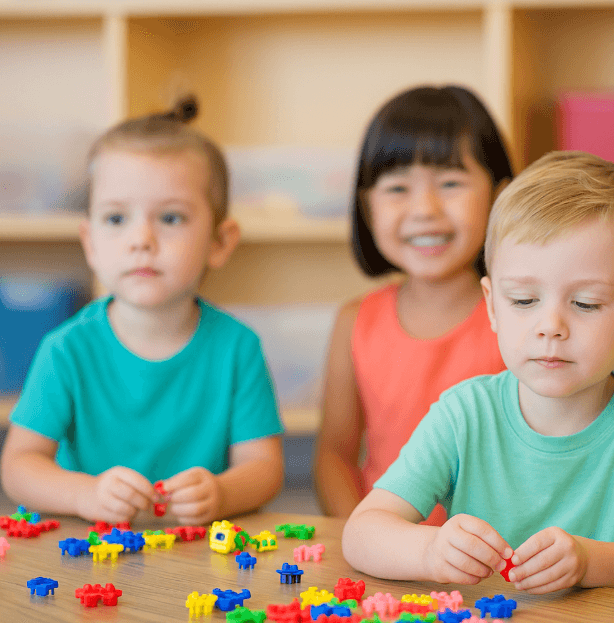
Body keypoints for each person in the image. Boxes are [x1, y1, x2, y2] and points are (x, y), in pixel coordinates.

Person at [0, 97, 285, 525]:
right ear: (90, 242)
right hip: (90, 554)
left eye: (170, 218)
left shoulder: (238, 348)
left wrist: (222, 493)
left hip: (203, 560)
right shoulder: (66, 349)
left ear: (220, 242)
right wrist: (85, 494)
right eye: (116, 219)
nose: (141, 239)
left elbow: (264, 467)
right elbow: (19, 466)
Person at [342, 150, 614, 593]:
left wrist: (591, 562)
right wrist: (428, 551)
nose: (551, 327)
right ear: (491, 306)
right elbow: (362, 532)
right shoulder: (464, 415)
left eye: (585, 303)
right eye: (524, 301)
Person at [315, 86, 513, 520]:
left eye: (450, 183)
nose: (424, 209)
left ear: (500, 196)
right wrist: (363, 534)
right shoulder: (355, 321)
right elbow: (334, 457)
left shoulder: (521, 318)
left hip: (494, 563)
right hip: (384, 563)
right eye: (398, 187)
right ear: (367, 207)